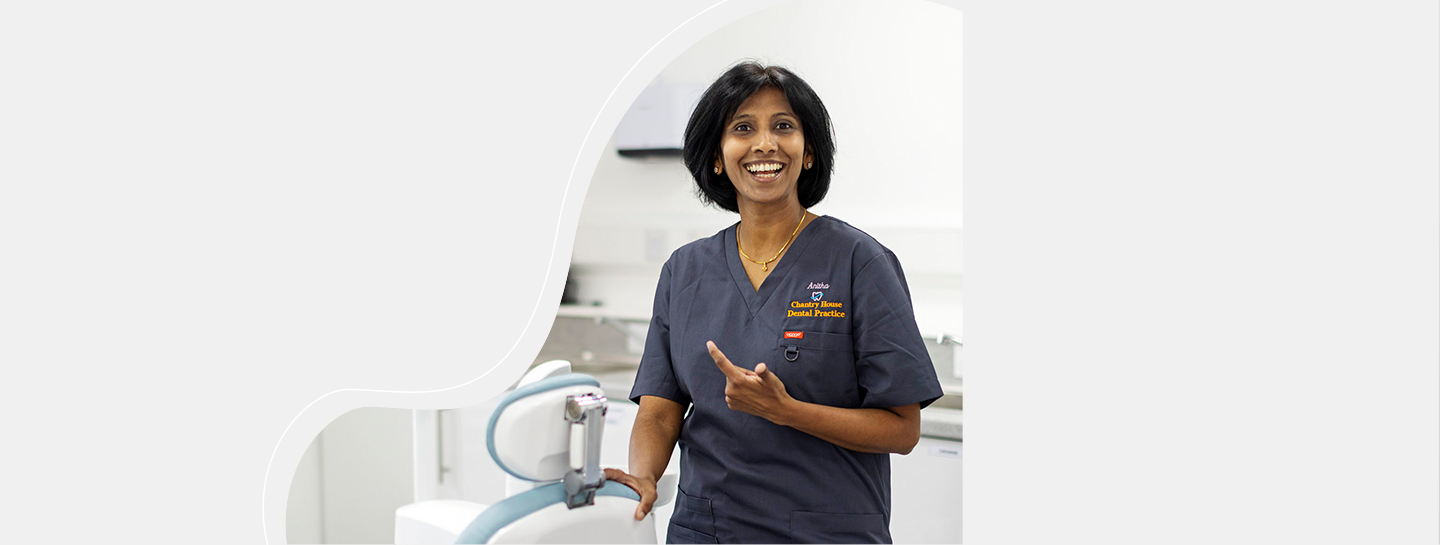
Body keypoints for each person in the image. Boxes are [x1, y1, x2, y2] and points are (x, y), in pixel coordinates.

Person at [603, 62, 944, 544]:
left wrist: (787, 410)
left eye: (783, 126)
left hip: (825, 533)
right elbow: (660, 410)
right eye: (743, 128)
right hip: (708, 531)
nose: (765, 143)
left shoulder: (858, 262)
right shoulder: (685, 271)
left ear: (807, 154)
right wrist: (644, 476)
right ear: (718, 157)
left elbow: (902, 430)